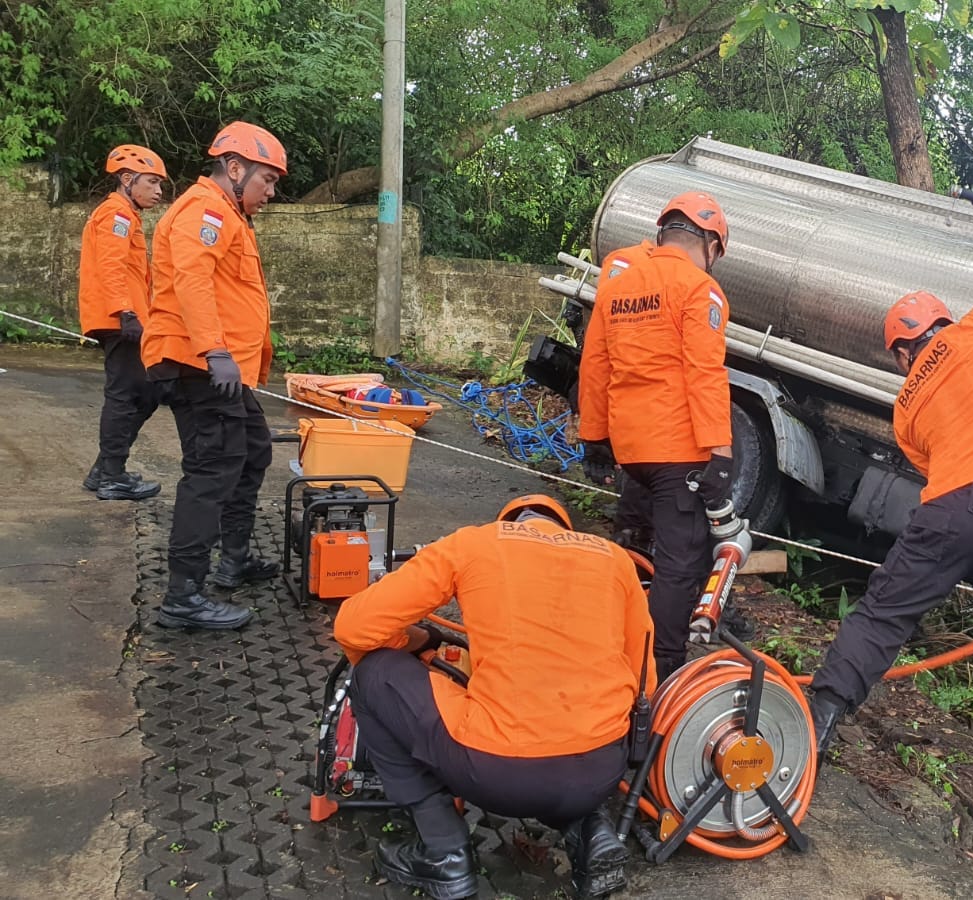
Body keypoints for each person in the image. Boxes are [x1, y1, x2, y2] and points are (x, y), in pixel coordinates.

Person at [806, 189, 973, 840]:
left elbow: (930, 466)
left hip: (950, 509)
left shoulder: (904, 407)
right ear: (943, 325)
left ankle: (820, 718)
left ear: (901, 353)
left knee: (883, 614)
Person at [333, 495, 654, 900]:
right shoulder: (614, 559)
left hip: (496, 774)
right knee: (571, 736)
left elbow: (353, 627)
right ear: (565, 529)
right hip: (602, 771)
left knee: (373, 672)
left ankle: (443, 851)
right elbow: (645, 679)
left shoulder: (475, 543)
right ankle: (588, 827)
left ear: (508, 521)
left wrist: (410, 641)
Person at [576, 191, 751, 677]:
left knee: (634, 542)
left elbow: (595, 366)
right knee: (680, 563)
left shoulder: (619, 285)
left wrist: (594, 437)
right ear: (712, 245)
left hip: (632, 449)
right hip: (679, 451)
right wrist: (720, 451)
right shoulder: (700, 290)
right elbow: (705, 373)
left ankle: (615, 638)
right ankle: (661, 669)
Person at [143, 121, 287, 630]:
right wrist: (215, 351)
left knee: (252, 451)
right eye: (267, 180)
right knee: (211, 470)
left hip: (221, 369)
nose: (270, 192)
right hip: (197, 364)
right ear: (234, 168)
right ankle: (183, 596)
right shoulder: (203, 211)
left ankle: (234, 559)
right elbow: (192, 279)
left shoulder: (228, 215)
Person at [79, 144, 167, 501]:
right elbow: (110, 266)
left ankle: (105, 470)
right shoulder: (116, 214)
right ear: (127, 179)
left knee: (146, 393)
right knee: (125, 396)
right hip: (120, 320)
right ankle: (112, 475)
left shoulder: (126, 215)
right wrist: (125, 312)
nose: (159, 191)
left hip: (127, 318)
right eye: (152, 182)